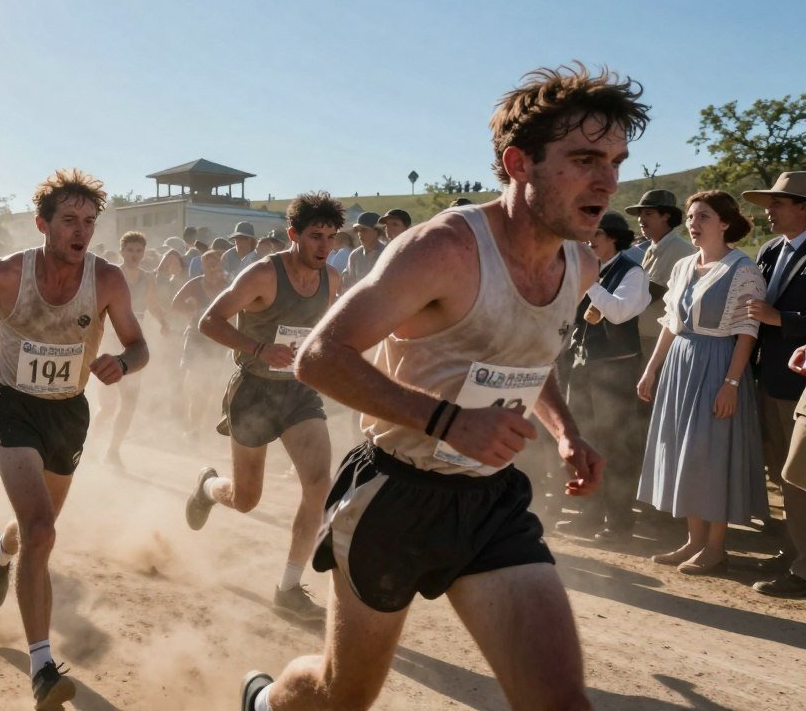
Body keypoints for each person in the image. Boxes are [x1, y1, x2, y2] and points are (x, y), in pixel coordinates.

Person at [243, 64, 634, 711]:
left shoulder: (581, 263)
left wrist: (567, 433)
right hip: (395, 494)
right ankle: (262, 703)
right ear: (518, 163)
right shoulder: (445, 249)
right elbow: (320, 358)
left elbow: (532, 358)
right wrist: (448, 422)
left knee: (562, 702)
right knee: (344, 698)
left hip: (489, 502)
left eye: (617, 161)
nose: (607, 181)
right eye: (585, 158)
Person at [0, 169, 147, 710]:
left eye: (89, 222)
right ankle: (42, 666)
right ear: (42, 224)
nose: (80, 231)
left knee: (34, 530)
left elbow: (139, 345)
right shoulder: (7, 272)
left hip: (69, 413)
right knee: (43, 530)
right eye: (69, 220)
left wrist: (122, 362)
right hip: (14, 407)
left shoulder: (109, 280)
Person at [185, 192, 342, 622]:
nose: (324, 246)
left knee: (318, 483)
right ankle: (207, 488)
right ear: (294, 235)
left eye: (331, 236)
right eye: (315, 236)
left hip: (298, 393)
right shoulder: (262, 275)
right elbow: (209, 322)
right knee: (246, 498)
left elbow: (325, 333)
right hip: (253, 390)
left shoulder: (333, 280)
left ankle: (288, 587)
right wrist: (258, 348)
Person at [636, 191, 767, 575]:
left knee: (712, 454)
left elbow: (747, 330)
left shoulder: (742, 268)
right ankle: (693, 540)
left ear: (724, 223)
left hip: (718, 365)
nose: (694, 224)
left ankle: (716, 547)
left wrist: (731, 382)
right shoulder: (683, 266)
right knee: (683, 452)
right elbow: (670, 324)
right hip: (681, 365)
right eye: (691, 217)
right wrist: (651, 369)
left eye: (704, 217)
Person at [557, 211, 650, 541]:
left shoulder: (632, 272)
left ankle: (619, 521)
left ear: (611, 237)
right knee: (585, 441)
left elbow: (618, 311)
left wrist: (589, 283)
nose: (588, 241)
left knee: (614, 444)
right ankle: (590, 515)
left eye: (594, 236)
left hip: (616, 370)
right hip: (584, 366)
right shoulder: (594, 270)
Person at [742, 172, 806, 597]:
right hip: (767, 378)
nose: (768, 208)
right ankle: (795, 550)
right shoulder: (767, 250)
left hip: (800, 382)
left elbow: (773, 313)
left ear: (803, 207)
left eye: (778, 202)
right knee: (782, 472)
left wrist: (781, 319)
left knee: (800, 475)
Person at [99, 231, 165, 466]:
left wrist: (165, 322)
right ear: (122, 251)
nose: (135, 255)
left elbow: (152, 304)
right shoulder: (111, 273)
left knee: (129, 401)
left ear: (144, 253)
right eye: (130, 250)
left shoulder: (147, 278)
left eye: (139, 251)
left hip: (133, 341)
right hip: (108, 337)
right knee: (107, 405)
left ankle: (113, 450)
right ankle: (90, 441)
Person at [624, 189, 695, 357]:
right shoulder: (652, 247)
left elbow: (650, 293)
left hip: (660, 339)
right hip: (646, 336)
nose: (641, 219)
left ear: (666, 216)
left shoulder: (679, 249)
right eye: (640, 214)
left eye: (648, 213)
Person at [172, 249, 230, 445]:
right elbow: (175, 304)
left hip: (218, 340)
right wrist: (191, 310)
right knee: (198, 387)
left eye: (216, 261)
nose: (213, 265)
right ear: (203, 266)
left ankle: (203, 430)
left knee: (213, 388)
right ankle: (193, 430)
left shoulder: (227, 285)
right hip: (197, 337)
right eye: (209, 262)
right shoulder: (196, 284)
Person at [345, 212, 386, 288]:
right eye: (358, 230)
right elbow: (350, 285)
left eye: (364, 230)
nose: (360, 233)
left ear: (377, 231)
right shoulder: (355, 255)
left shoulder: (386, 254)